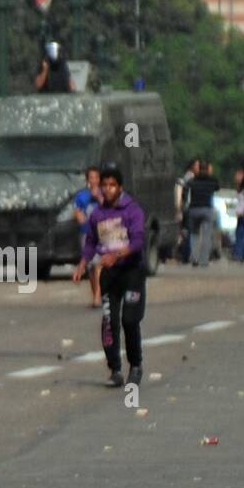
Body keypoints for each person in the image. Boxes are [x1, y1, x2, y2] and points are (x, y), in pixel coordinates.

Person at [74, 164, 145, 388]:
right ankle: (115, 369)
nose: (107, 189)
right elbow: (91, 243)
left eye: (112, 185)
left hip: (131, 271)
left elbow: (138, 241)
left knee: (129, 320)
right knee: (108, 321)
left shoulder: (132, 210)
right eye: (104, 185)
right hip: (110, 274)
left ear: (120, 187)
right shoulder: (97, 215)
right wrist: (83, 263)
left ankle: (135, 365)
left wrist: (117, 255)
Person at [72, 166, 104, 303]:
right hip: (87, 233)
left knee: (98, 264)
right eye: (91, 177)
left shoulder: (105, 193)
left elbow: (111, 208)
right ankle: (95, 293)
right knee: (90, 266)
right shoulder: (81, 196)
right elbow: (77, 212)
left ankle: (98, 295)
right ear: (87, 180)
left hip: (103, 234)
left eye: (96, 177)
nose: (94, 180)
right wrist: (80, 218)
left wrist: (98, 197)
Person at [186, 162, 219, 268]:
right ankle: (204, 261)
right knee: (206, 236)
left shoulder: (192, 181)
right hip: (207, 209)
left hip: (194, 209)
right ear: (207, 170)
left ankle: (194, 258)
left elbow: (186, 188)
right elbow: (217, 188)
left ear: (199, 169)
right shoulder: (212, 180)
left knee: (194, 235)